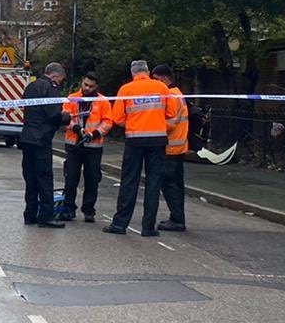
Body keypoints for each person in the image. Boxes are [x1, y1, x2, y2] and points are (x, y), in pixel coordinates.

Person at [108, 60, 172, 236]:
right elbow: (172, 113)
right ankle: (148, 227)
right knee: (153, 183)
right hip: (158, 140)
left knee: (129, 181)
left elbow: (117, 118)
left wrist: (133, 123)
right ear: (148, 71)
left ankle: (120, 224)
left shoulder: (126, 90)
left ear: (132, 73)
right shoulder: (161, 88)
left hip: (135, 140)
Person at [18, 62, 69, 228]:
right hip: (41, 139)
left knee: (30, 178)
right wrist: (66, 117)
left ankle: (29, 214)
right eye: (60, 80)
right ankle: (46, 216)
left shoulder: (31, 86)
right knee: (44, 178)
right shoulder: (51, 89)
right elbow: (53, 114)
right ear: (55, 76)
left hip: (27, 138)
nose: (60, 83)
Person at [61, 73, 112, 222]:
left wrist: (95, 133)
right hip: (73, 144)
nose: (87, 88)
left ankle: (89, 210)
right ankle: (68, 209)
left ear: (96, 87)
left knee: (92, 180)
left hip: (93, 146)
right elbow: (65, 117)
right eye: (85, 85)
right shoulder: (72, 98)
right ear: (82, 83)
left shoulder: (103, 101)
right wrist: (76, 128)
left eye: (90, 86)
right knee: (71, 179)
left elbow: (108, 122)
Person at [152, 64, 188, 231]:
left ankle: (177, 219)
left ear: (164, 79)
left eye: (157, 80)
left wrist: (150, 124)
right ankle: (177, 217)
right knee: (176, 185)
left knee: (169, 185)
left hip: (170, 147)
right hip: (177, 147)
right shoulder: (177, 93)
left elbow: (170, 123)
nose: (155, 84)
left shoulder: (171, 96)